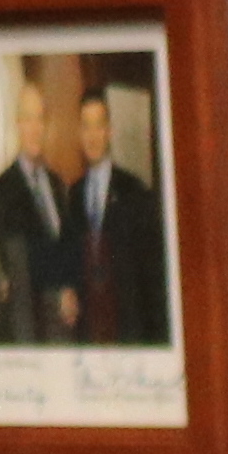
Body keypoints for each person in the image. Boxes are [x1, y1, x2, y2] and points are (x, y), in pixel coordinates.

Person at [65, 73, 165, 344]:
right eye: (86, 126)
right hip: (90, 332)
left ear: (110, 131)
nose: (93, 136)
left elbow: (153, 280)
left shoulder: (135, 191)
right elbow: (71, 259)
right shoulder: (73, 195)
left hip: (129, 330)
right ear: (79, 133)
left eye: (99, 126)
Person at [0, 67, 70, 344]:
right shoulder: (1, 190)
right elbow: (3, 272)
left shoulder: (56, 184)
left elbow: (64, 248)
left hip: (62, 329)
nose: (34, 128)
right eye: (27, 119)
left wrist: (69, 287)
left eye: (40, 119)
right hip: (29, 333)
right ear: (17, 124)